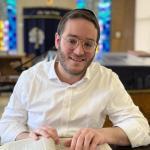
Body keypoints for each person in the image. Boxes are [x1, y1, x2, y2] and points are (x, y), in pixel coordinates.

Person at [0, 8, 150, 150]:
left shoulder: (107, 79)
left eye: (88, 44)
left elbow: (141, 128)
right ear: (58, 41)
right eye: (72, 41)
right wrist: (29, 136)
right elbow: (7, 124)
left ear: (95, 47)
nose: (79, 51)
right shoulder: (30, 78)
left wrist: (101, 134)